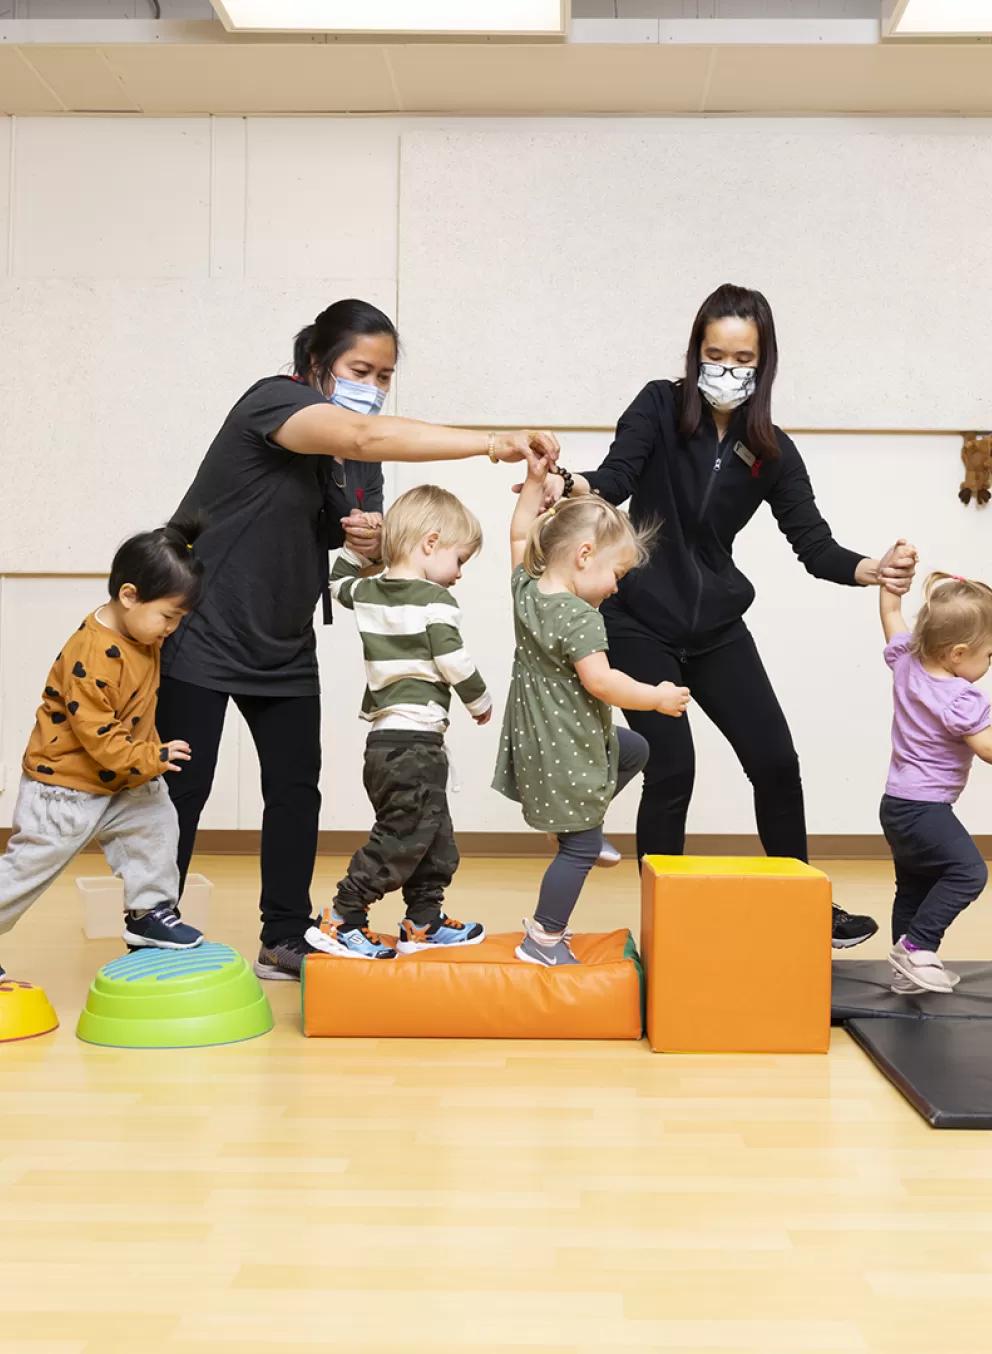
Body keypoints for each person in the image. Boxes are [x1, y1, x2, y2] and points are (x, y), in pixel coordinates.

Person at [158, 298, 559, 982]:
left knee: (295, 790)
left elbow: (366, 557)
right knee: (181, 790)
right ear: (318, 364)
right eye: (359, 370)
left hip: (283, 639)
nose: (371, 388)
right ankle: (153, 920)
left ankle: (284, 935)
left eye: (384, 377)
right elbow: (363, 436)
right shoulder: (273, 403)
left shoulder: (358, 465)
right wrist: (493, 443)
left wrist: (370, 545)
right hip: (204, 626)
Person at [530, 283, 917, 949]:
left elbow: (814, 544)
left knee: (775, 759)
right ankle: (663, 927)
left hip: (715, 627)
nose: (726, 369)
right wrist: (567, 484)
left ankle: (803, 907)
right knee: (672, 766)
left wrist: (873, 569)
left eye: (742, 358)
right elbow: (615, 477)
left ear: (762, 365)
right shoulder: (657, 404)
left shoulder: (769, 449)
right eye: (714, 354)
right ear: (695, 352)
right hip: (639, 618)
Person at [493, 455, 689, 967]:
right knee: (577, 851)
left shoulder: (528, 591)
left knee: (635, 748)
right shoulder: (581, 618)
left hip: (537, 737)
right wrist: (658, 697)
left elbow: (518, 536)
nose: (617, 587)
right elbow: (602, 683)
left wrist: (535, 485)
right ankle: (543, 939)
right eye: (615, 573)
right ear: (584, 555)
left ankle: (584, 826)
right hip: (566, 744)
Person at [0, 521, 205, 976]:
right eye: (168, 616)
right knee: (27, 871)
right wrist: (155, 756)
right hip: (66, 786)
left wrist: (146, 760)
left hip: (121, 778)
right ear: (129, 595)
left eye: (178, 620)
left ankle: (149, 914)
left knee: (155, 823)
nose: (171, 629)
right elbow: (98, 736)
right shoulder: (92, 653)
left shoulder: (140, 633)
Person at [318, 485, 491, 961]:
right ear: (430, 544)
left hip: (386, 743)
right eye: (460, 560)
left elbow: (337, 585)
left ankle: (424, 922)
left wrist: (354, 552)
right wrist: (480, 701)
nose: (458, 575)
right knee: (400, 839)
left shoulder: (370, 591)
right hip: (414, 743)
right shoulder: (435, 600)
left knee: (434, 839)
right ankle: (341, 917)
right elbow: (452, 658)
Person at [880, 572, 992, 993]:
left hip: (896, 805)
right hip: (925, 809)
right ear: (958, 653)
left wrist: (889, 585)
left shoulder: (906, 660)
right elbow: (986, 748)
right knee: (969, 872)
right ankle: (917, 946)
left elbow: (891, 612)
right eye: (989, 655)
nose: (988, 663)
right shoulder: (961, 697)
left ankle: (905, 971)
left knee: (914, 885)